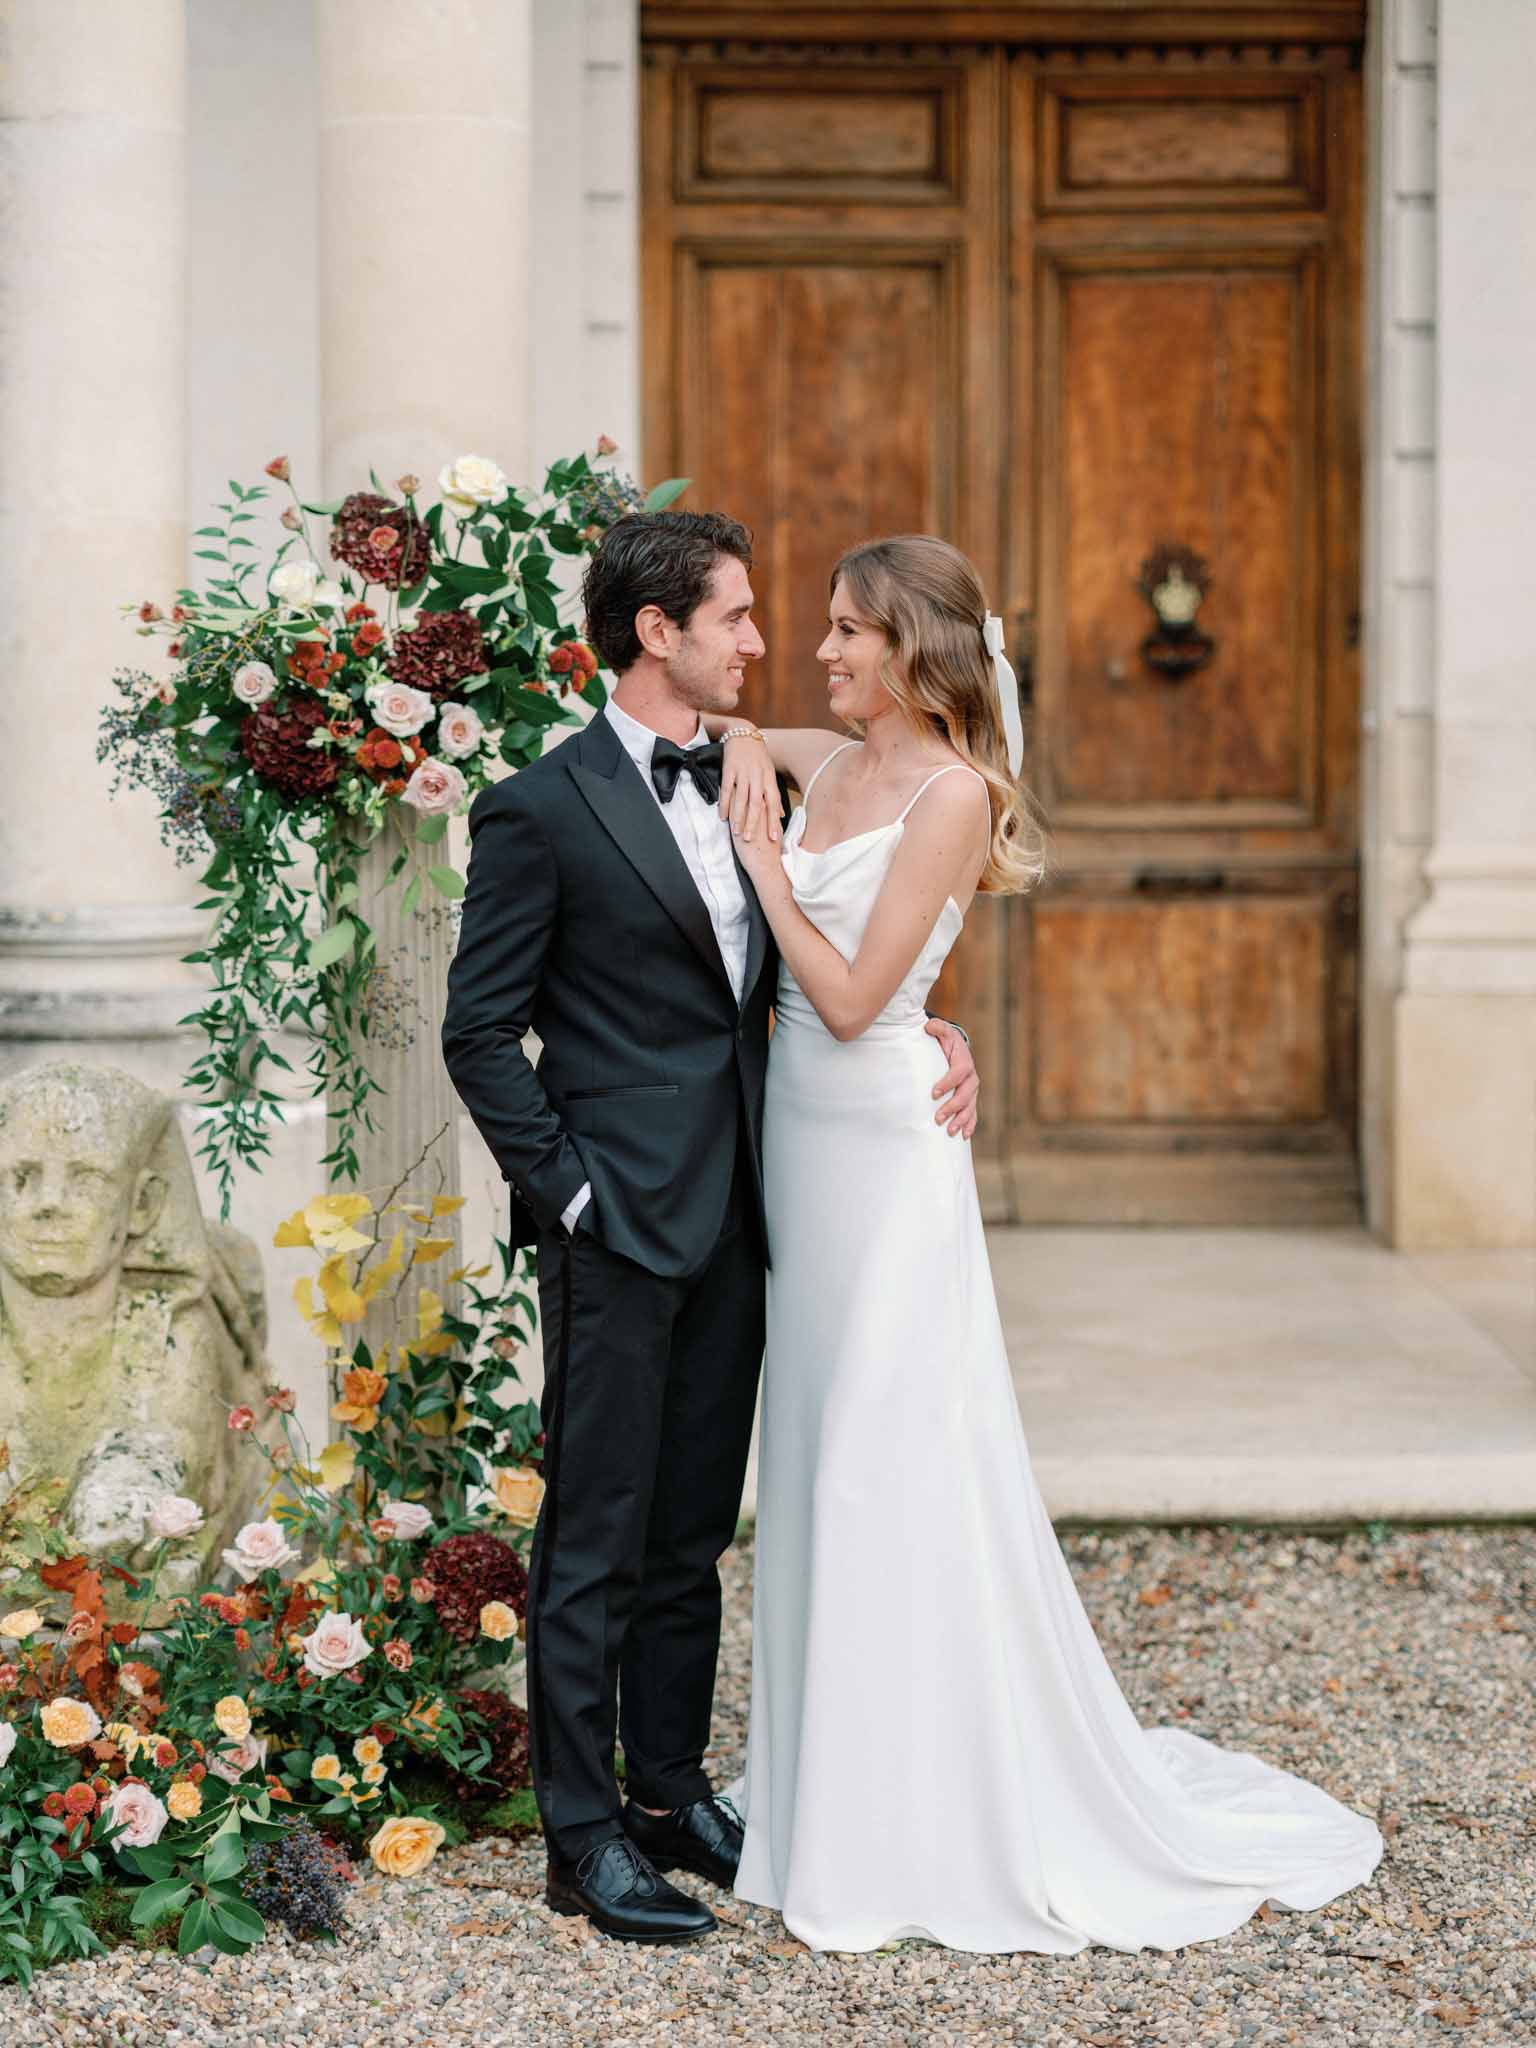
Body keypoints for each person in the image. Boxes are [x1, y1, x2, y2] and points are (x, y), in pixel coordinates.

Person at [717, 533, 1385, 1955]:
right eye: (823, 629)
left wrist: (767, 870)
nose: (820, 652)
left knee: (883, 1461)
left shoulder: (954, 793)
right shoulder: (827, 760)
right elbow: (703, 722)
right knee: (816, 1453)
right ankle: (822, 1791)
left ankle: (916, 1810)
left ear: (913, 648)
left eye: (846, 632)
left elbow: (846, 1003)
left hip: (884, 1155)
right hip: (800, 1150)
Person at [440, 511, 980, 1944]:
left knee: (689, 1538)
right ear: (655, 634)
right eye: (737, 619)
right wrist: (569, 1193)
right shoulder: (539, 809)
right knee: (597, 1534)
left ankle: (671, 1797)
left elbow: (822, 972)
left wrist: (933, 1026)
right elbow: (480, 1031)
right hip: (616, 1223)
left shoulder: (761, 775)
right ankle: (581, 1834)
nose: (764, 643)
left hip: (752, 1213)